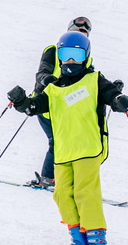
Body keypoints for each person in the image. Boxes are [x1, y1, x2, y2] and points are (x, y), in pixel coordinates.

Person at [6, 31, 128, 245]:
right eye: (65, 55)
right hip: (64, 152)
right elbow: (35, 106)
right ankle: (79, 241)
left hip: (87, 147)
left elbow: (110, 94)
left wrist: (119, 100)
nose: (70, 61)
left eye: (76, 55)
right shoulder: (53, 89)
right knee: (62, 194)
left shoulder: (94, 80)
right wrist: (22, 102)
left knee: (86, 194)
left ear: (86, 56)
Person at [28, 15, 92, 189]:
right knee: (57, 142)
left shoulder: (85, 56)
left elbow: (89, 81)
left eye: (85, 32)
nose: (82, 34)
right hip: (47, 105)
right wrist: (48, 80)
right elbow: (41, 72)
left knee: (72, 142)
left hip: (67, 108)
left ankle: (63, 177)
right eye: (78, 31)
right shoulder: (54, 50)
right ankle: (48, 178)